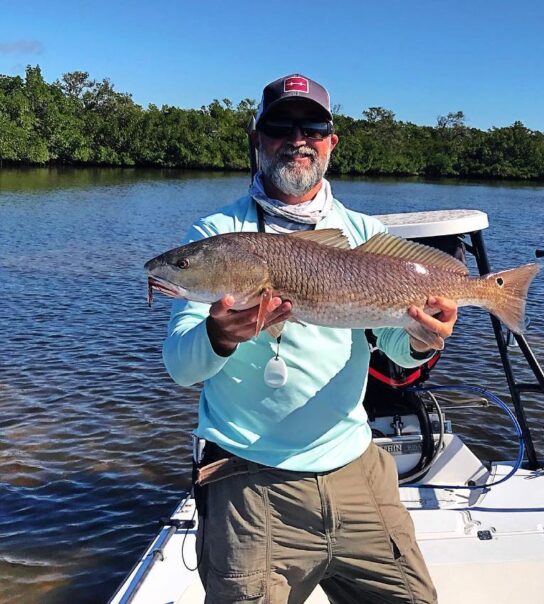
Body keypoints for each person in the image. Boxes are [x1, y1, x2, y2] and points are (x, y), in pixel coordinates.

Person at [162, 74, 456, 603]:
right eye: (279, 126)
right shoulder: (214, 236)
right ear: (257, 137)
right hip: (248, 480)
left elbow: (393, 344)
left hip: (357, 468)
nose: (297, 138)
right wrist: (218, 335)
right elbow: (182, 366)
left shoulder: (363, 233)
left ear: (330, 142)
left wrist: (423, 337)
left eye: (312, 126)